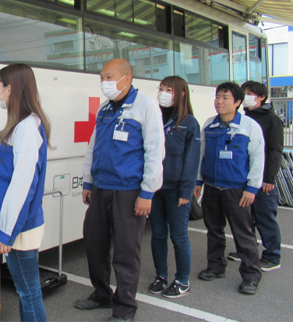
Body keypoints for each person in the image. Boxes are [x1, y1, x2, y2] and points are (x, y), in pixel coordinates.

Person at [75, 59, 164, 322]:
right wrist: (88, 182)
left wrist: (147, 192)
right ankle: (101, 294)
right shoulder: (104, 109)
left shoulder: (146, 107)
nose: (104, 83)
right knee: (94, 243)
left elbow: (155, 151)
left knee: (126, 252)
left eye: (109, 77)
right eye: (102, 78)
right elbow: (93, 148)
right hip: (101, 188)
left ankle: (124, 308)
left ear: (126, 78)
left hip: (129, 191)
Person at [0, 63, 50, 322]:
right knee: (27, 292)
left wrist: (7, 233)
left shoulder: (25, 128)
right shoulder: (22, 125)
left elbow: (22, 185)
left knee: (29, 292)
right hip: (18, 226)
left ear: (10, 89)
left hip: (19, 229)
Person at [194, 82, 264, 295]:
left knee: (242, 234)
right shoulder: (209, 125)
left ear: (238, 102)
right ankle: (215, 266)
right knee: (214, 230)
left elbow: (258, 159)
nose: (219, 101)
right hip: (212, 188)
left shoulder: (249, 126)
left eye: (225, 98)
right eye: (217, 97)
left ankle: (251, 275)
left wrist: (252, 188)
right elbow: (201, 155)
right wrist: (198, 181)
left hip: (237, 190)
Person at [148, 76, 200, 298]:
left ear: (181, 93)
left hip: (176, 190)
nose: (163, 92)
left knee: (178, 236)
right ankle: (161, 276)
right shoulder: (153, 117)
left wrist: (186, 191)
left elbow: (192, 160)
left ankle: (183, 281)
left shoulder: (189, 123)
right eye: (161, 88)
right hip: (154, 188)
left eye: (169, 89)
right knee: (157, 234)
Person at [225, 81, 283, 271]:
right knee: (247, 217)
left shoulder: (272, 120)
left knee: (264, 217)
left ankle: (272, 255)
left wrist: (269, 179)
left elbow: (274, 151)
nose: (246, 96)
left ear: (261, 97)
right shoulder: (244, 117)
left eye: (250, 93)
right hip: (244, 176)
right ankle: (247, 249)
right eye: (245, 93)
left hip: (263, 178)